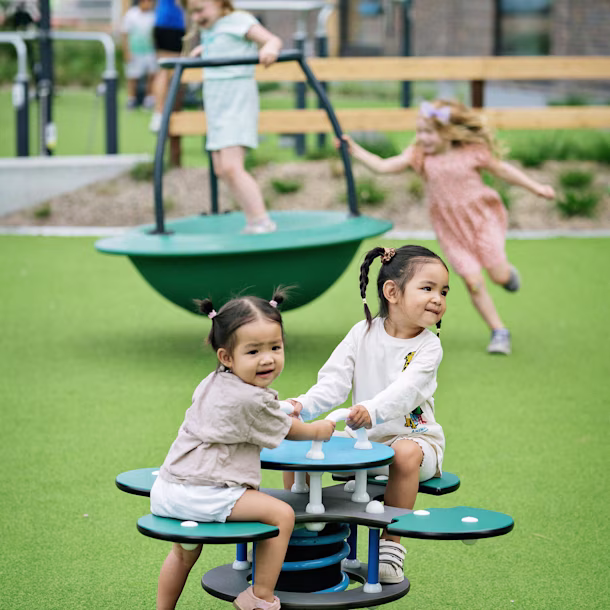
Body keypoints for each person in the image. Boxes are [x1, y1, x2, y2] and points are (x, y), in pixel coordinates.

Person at [150, 291, 335, 610]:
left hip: (169, 489)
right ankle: (259, 596)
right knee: (282, 515)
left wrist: (277, 409)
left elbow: (250, 414)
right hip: (206, 492)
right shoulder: (252, 400)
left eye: (275, 347)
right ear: (227, 357)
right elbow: (290, 430)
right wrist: (319, 429)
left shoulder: (211, 383)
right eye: (253, 351)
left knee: (183, 553)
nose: (267, 359)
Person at [285, 245, 449, 585]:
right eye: (428, 288)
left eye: (443, 292)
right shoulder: (362, 333)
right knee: (300, 440)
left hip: (414, 440)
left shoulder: (428, 346)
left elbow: (407, 391)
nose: (438, 298)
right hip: (363, 442)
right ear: (392, 292)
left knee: (403, 454)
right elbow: (333, 382)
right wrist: (303, 405)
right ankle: (298, 525)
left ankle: (392, 545)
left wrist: (369, 411)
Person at [341, 99, 556, 355]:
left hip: (481, 220)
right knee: (473, 281)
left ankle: (507, 275)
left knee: (497, 275)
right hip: (451, 231)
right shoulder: (419, 155)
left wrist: (537, 188)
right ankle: (499, 331)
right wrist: (354, 150)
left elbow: (503, 170)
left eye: (430, 132)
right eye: (420, 131)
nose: (423, 138)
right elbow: (383, 166)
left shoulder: (470, 151)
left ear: (448, 132)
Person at [185, 0, 282, 234]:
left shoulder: (238, 21)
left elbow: (272, 39)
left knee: (231, 167)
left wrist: (269, 49)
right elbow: (224, 47)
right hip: (216, 105)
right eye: (192, 13)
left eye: (200, 10)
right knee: (221, 168)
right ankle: (252, 219)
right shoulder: (211, 28)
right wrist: (203, 51)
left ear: (219, 3)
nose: (196, 17)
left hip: (236, 101)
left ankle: (261, 220)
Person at [150, 0, 186, 131]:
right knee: (167, 71)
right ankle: (160, 113)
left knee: (164, 70)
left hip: (161, 22)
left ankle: (159, 113)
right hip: (173, 25)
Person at [121, 0, 157, 109]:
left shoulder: (153, 15)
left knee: (152, 75)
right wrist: (127, 52)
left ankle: (149, 99)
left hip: (150, 51)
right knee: (133, 76)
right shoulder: (131, 14)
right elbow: (125, 34)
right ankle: (131, 99)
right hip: (135, 51)